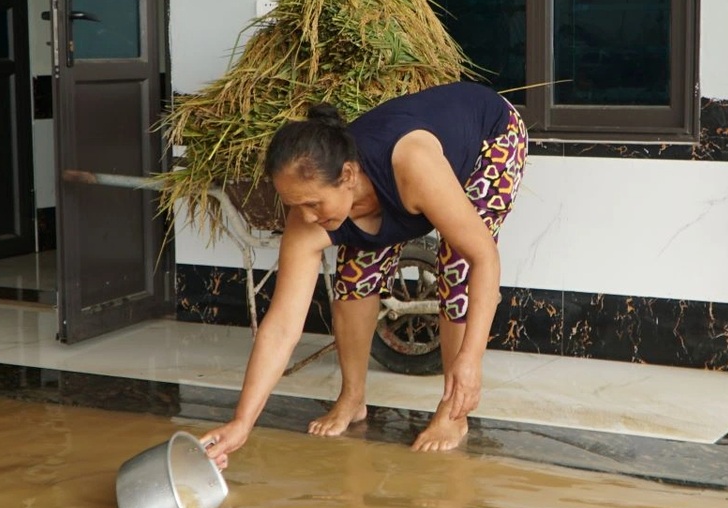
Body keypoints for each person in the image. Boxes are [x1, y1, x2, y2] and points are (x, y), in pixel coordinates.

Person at [199, 82, 527, 466]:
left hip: (490, 140)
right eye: (295, 206)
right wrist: (242, 422)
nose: (306, 217)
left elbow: (484, 258)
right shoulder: (314, 210)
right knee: (354, 276)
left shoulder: (413, 166)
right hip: (388, 187)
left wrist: (470, 361)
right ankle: (352, 398)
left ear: (349, 175)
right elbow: (282, 326)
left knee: (458, 263)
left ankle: (454, 414)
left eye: (312, 203)